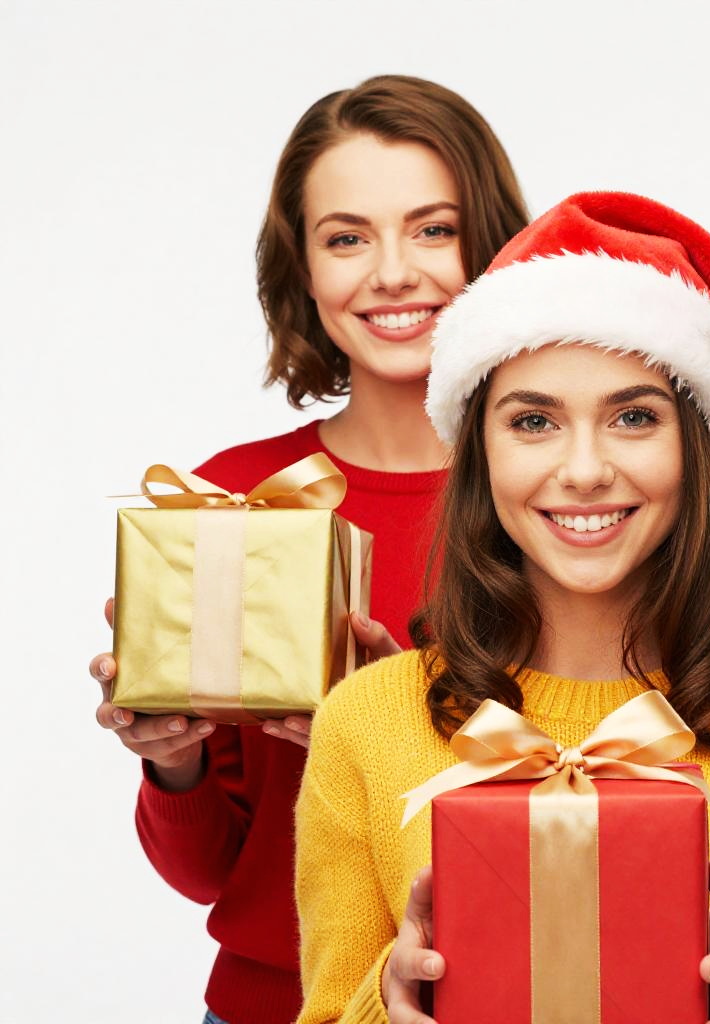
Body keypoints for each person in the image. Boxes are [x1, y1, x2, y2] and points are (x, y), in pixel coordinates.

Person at [293, 192, 710, 1024]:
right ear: (481, 453)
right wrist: (383, 1008)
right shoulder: (365, 720)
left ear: (695, 446)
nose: (583, 470)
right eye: (534, 420)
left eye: (634, 417)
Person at [87, 75, 530, 1024]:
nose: (393, 273)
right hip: (273, 1007)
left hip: (513, 998)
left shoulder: (568, 496)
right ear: (304, 270)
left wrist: (392, 726)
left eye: (434, 229)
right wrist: (173, 760)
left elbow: (615, 805)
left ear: (495, 249)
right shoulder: (231, 501)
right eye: (346, 238)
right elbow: (212, 875)